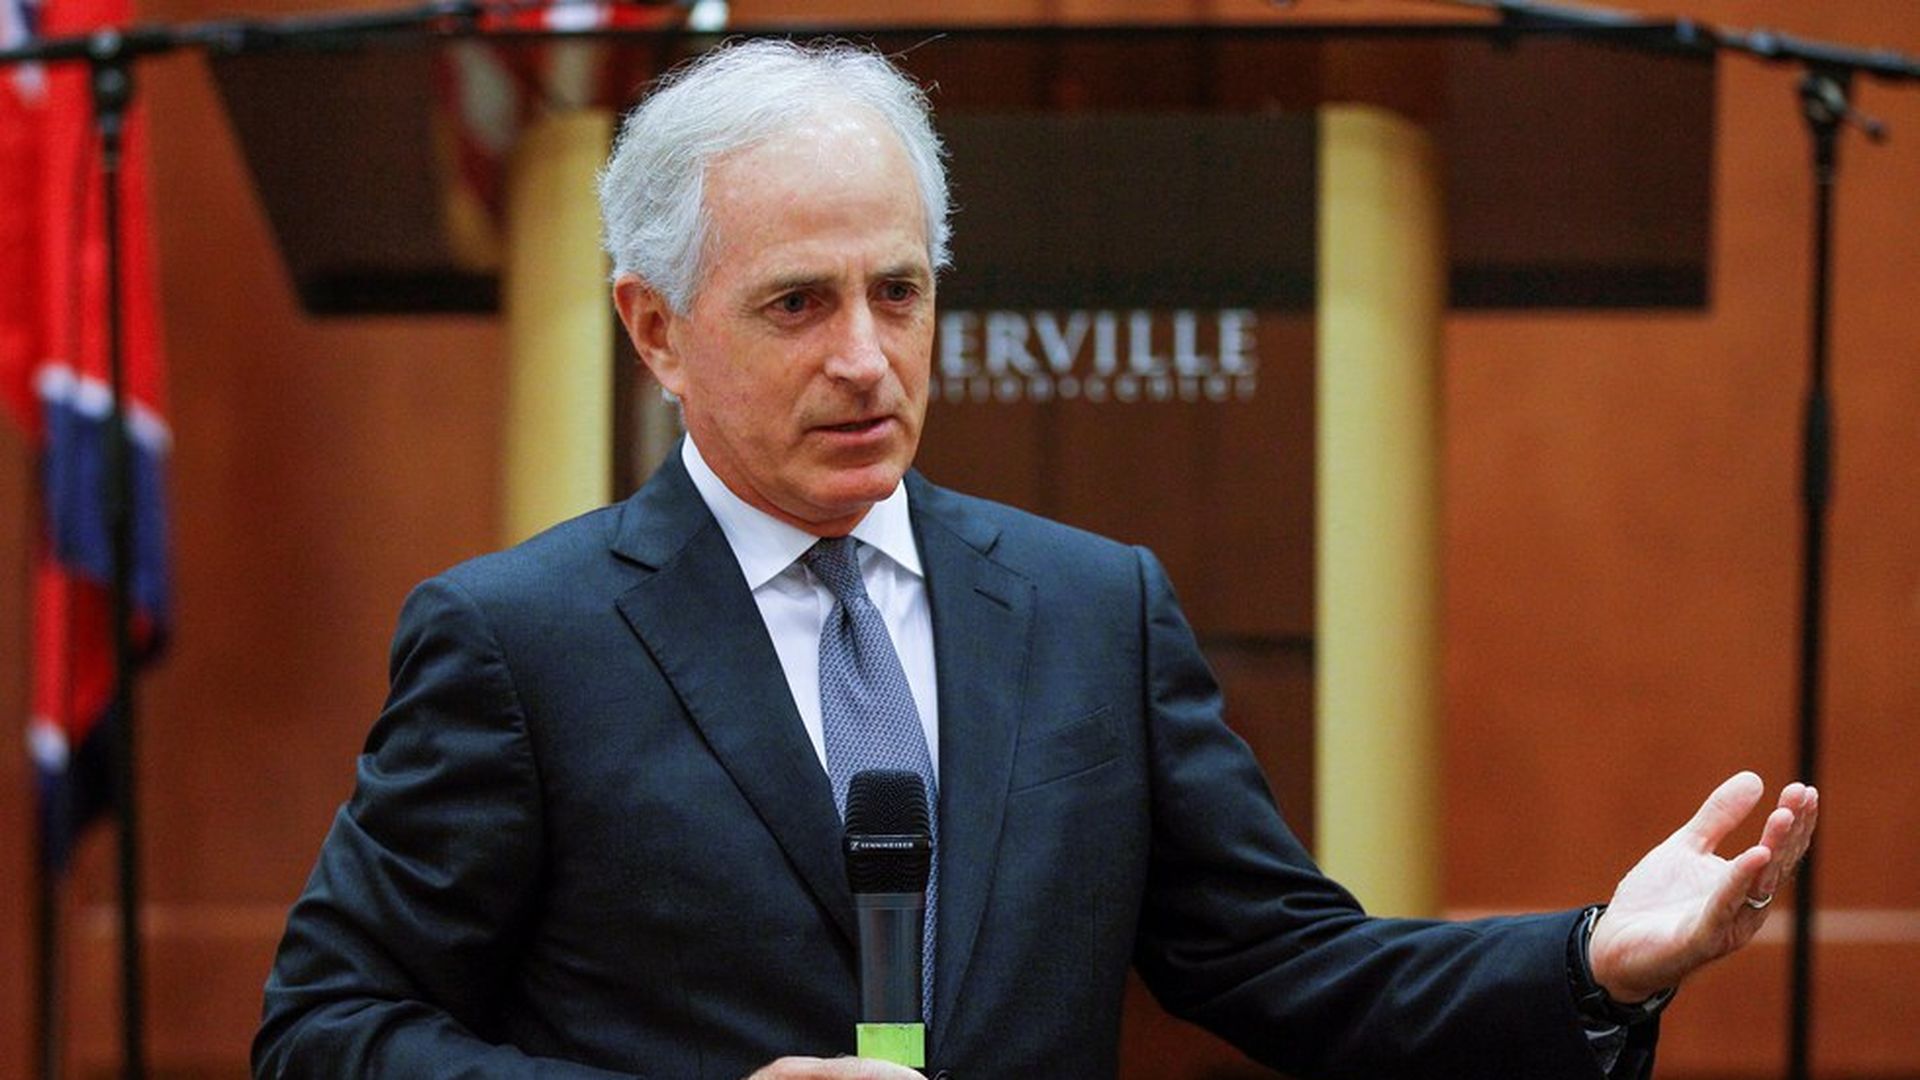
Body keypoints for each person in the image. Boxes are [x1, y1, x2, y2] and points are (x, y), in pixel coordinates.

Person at [253, 39, 1818, 1080]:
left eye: (901, 292)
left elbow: (1284, 964)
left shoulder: (1092, 610)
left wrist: (1596, 964)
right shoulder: (518, 641)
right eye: (798, 304)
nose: (866, 358)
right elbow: (327, 1028)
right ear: (654, 328)